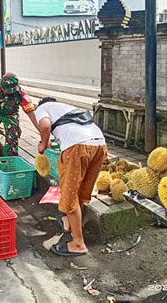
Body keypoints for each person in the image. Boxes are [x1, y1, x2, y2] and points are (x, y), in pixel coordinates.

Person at [35, 97, 107, 257]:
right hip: (100, 144)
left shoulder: (42, 108)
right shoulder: (65, 107)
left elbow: (45, 125)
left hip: (77, 147)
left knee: (69, 195)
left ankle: (78, 244)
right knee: (80, 190)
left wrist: (43, 144)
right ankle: (68, 223)